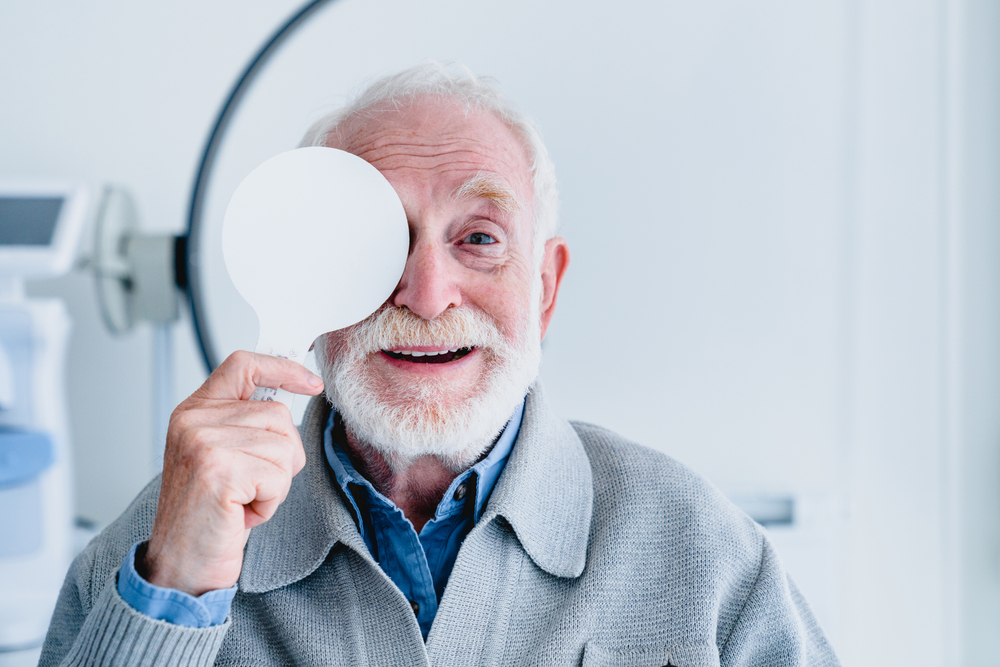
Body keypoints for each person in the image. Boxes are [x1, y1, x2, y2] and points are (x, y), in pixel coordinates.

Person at [40, 64, 840, 667]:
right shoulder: (163, 539)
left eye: (480, 238)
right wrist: (175, 591)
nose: (426, 295)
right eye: (376, 240)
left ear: (546, 288)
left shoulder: (700, 549)